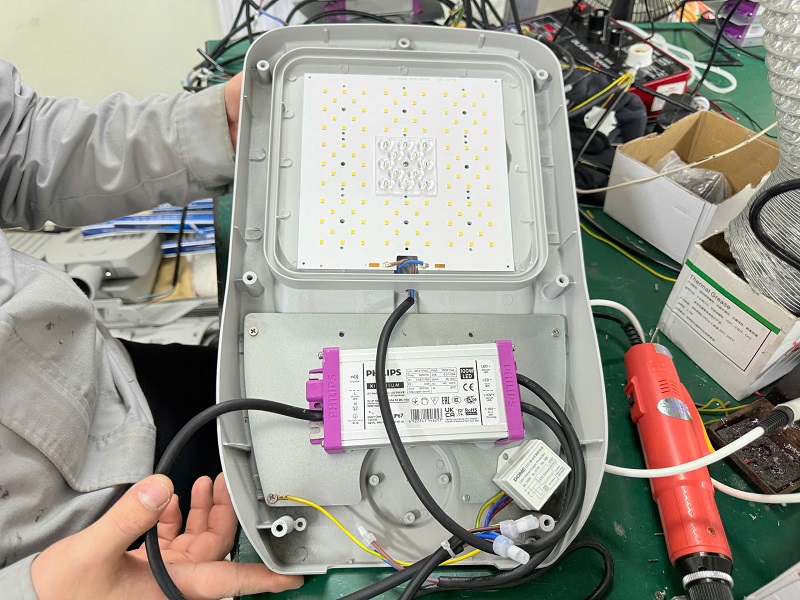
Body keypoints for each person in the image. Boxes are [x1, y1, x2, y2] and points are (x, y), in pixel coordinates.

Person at [0, 59, 304, 598]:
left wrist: (210, 130)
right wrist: (35, 590)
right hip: (63, 558)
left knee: (302, 388)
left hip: (102, 385)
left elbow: (19, 141)